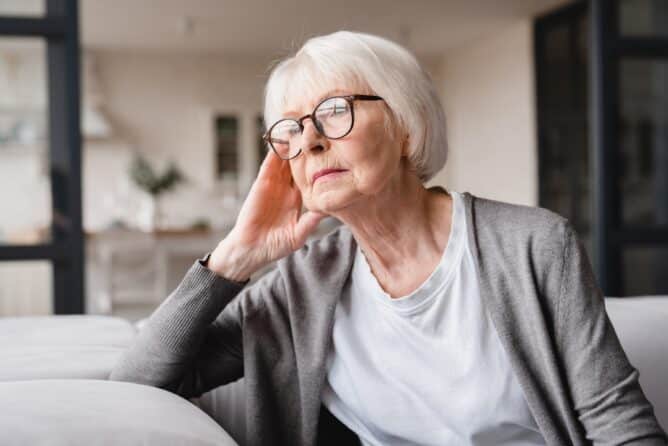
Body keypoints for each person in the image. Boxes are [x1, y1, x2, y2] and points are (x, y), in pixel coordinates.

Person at [109, 31, 667, 446]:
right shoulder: (300, 285)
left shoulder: (533, 246)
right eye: (291, 130)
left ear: (405, 126)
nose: (311, 142)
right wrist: (232, 258)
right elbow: (138, 382)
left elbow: (623, 429)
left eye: (333, 113)